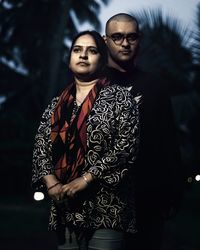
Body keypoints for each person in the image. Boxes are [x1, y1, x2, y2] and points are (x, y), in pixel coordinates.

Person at [31, 30, 140, 250]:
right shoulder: (56, 104)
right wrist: (51, 183)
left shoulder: (121, 97)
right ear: (70, 58)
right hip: (65, 206)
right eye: (77, 50)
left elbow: (126, 148)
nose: (83, 56)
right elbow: (40, 148)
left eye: (92, 51)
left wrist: (86, 179)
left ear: (102, 60)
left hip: (107, 208)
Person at [103, 13, 183, 250]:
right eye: (117, 37)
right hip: (100, 200)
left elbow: (168, 140)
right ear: (105, 40)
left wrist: (173, 190)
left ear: (140, 40)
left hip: (147, 200)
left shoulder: (155, 85)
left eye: (131, 37)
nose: (125, 43)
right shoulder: (89, 83)